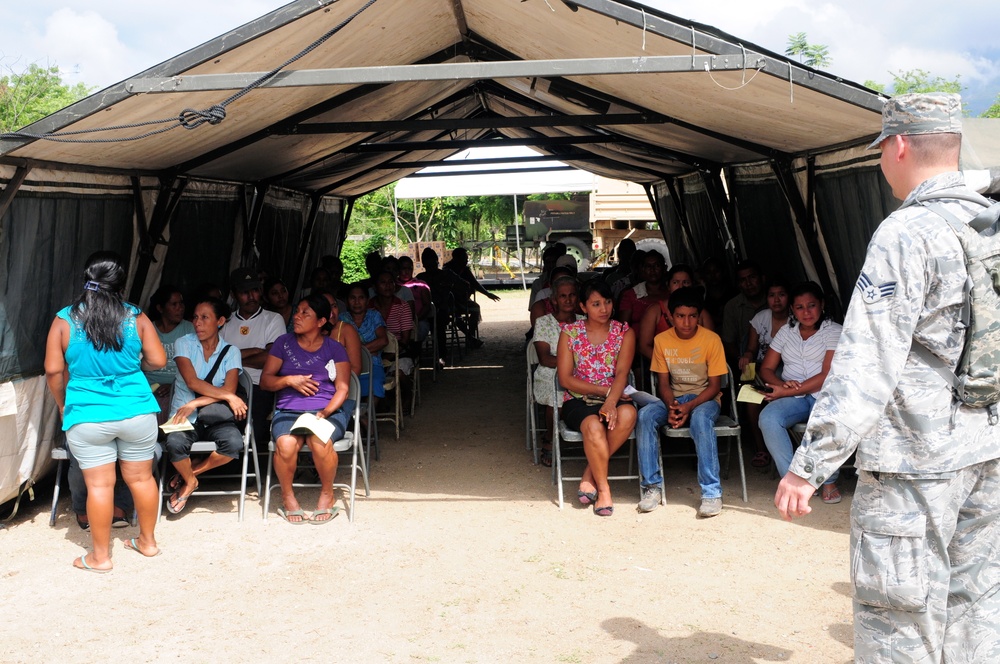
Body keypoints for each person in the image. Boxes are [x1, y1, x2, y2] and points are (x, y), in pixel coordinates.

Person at [774, 93, 1000, 662]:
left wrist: (809, 466)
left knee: (899, 625)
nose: (881, 163)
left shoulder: (905, 233)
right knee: (974, 610)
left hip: (913, 465)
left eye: (881, 151)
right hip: (986, 452)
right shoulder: (988, 225)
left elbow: (865, 362)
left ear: (898, 145)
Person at [44, 251, 166, 571]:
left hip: (87, 412)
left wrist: (61, 403)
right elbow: (158, 361)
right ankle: (148, 542)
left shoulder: (64, 319)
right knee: (141, 479)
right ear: (120, 283)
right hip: (137, 409)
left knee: (100, 486)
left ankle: (99, 557)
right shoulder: (136, 317)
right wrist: (131, 367)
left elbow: (54, 371)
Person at [260, 294, 353, 524]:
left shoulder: (335, 348)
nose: (296, 316)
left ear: (321, 322)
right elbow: (265, 381)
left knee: (319, 442)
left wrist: (325, 413)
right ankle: (288, 497)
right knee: (285, 444)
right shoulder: (283, 343)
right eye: (297, 311)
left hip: (326, 411)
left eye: (305, 313)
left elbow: (342, 389)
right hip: (288, 411)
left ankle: (327, 494)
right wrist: (289, 380)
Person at [635, 287, 727, 517]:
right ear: (670, 316)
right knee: (645, 415)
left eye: (692, 316)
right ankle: (652, 487)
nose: (686, 322)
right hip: (674, 398)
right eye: (680, 316)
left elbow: (715, 386)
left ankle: (711, 492)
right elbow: (663, 383)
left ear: (699, 316)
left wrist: (688, 407)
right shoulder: (661, 340)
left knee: (700, 419)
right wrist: (672, 406)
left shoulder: (711, 340)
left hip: (706, 398)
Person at [556, 278, 637, 517]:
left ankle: (589, 473)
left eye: (608, 302)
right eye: (596, 304)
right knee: (593, 426)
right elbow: (565, 380)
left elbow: (622, 372)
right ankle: (604, 490)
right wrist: (606, 393)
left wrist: (611, 402)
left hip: (614, 396)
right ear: (583, 307)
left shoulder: (624, 332)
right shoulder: (570, 333)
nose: (604, 309)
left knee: (628, 413)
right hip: (578, 400)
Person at [758, 281, 842, 502]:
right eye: (800, 307)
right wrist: (780, 384)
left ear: (822, 305)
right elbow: (766, 368)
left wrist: (784, 392)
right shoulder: (786, 332)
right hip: (793, 395)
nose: (806, 312)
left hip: (824, 394)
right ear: (792, 310)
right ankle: (790, 480)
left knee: (825, 419)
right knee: (768, 418)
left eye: (811, 305)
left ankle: (828, 480)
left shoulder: (834, 331)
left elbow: (826, 375)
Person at [162, 297, 246, 514]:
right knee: (174, 443)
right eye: (196, 317)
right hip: (183, 413)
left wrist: (198, 402)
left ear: (220, 321)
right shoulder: (184, 343)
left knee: (234, 444)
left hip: (215, 415)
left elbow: (230, 389)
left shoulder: (231, 351)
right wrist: (229, 397)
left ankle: (190, 474)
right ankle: (190, 482)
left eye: (205, 317)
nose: (197, 322)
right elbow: (192, 382)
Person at [221, 267, 285, 448]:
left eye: (255, 290)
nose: (251, 296)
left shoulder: (273, 319)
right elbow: (216, 359)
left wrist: (233, 359)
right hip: (227, 388)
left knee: (253, 432)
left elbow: (271, 359)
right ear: (233, 295)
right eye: (244, 292)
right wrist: (255, 352)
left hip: (259, 387)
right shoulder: (225, 322)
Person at [738, 277, 790, 468]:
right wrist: (746, 357)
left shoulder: (796, 319)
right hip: (761, 368)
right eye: (772, 295)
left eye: (782, 295)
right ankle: (761, 448)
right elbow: (751, 348)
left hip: (788, 371)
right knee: (751, 400)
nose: (777, 300)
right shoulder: (760, 318)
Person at [531, 275, 582, 467]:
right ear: (554, 300)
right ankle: (550, 439)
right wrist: (575, 364)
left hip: (581, 373)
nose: (568, 300)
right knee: (559, 390)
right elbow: (545, 358)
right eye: (562, 296)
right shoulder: (544, 322)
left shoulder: (585, 321)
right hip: (550, 372)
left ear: (578, 298)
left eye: (572, 295)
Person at [637, 263, 714, 360]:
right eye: (675, 282)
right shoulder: (655, 311)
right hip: (663, 366)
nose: (681, 286)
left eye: (686, 282)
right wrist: (669, 364)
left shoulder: (702, 313)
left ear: (692, 285)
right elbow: (644, 347)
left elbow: (711, 345)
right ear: (668, 286)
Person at [144, 284, 194, 422]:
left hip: (178, 387)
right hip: (148, 388)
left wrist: (173, 385)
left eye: (181, 303)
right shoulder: (148, 328)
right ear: (160, 308)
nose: (181, 308)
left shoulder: (189, 329)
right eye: (174, 304)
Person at [340, 283, 387, 408]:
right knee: (341, 386)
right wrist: (369, 350)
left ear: (367, 301)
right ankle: (361, 419)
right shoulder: (342, 319)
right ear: (346, 301)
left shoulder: (374, 316)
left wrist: (356, 351)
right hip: (349, 366)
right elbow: (338, 347)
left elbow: (383, 340)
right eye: (352, 298)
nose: (357, 302)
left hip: (373, 364)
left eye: (361, 298)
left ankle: (367, 415)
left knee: (376, 383)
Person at [721, 259, 766, 368]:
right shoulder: (732, 306)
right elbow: (728, 342)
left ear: (762, 278)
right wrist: (742, 360)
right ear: (739, 285)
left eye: (752, 277)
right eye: (743, 280)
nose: (748, 283)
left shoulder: (775, 301)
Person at [617, 250, 667, 329]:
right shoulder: (630, 295)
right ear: (642, 269)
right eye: (648, 266)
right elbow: (623, 328)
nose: (652, 270)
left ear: (664, 268)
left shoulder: (671, 293)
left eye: (656, 265)